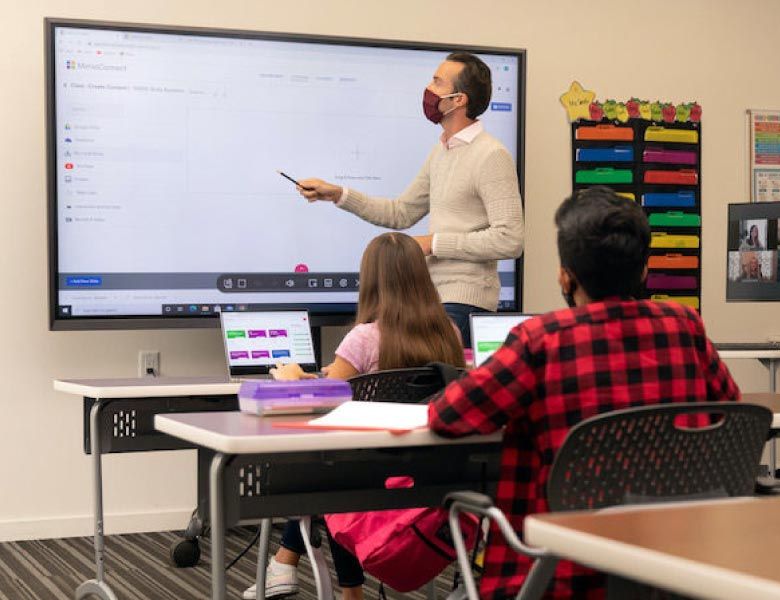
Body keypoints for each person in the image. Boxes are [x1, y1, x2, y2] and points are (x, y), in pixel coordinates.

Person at [427, 187, 740, 599]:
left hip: (559, 574)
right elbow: (731, 410)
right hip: (676, 570)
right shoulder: (685, 325)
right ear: (644, 271)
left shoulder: (541, 340)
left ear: (565, 276)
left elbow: (447, 417)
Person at [244, 232, 466, 600]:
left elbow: (325, 396)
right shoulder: (450, 333)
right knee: (331, 474)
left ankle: (325, 582)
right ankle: (287, 566)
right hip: (428, 472)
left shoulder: (362, 338)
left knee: (321, 475)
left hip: (368, 475)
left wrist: (291, 376)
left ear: (372, 281)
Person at [294, 52, 524, 346]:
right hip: (432, 299)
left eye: (437, 82)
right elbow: (401, 213)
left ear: (458, 100)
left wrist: (433, 243)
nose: (428, 89)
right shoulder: (443, 151)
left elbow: (510, 239)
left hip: (464, 305)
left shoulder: (491, 155)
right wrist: (339, 194)